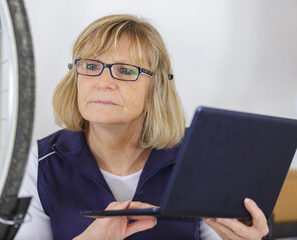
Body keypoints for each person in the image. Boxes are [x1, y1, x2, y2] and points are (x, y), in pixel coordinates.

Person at [15, 14, 269, 240]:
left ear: (155, 88)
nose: (104, 82)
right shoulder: (39, 162)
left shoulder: (198, 154)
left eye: (125, 70)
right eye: (91, 66)